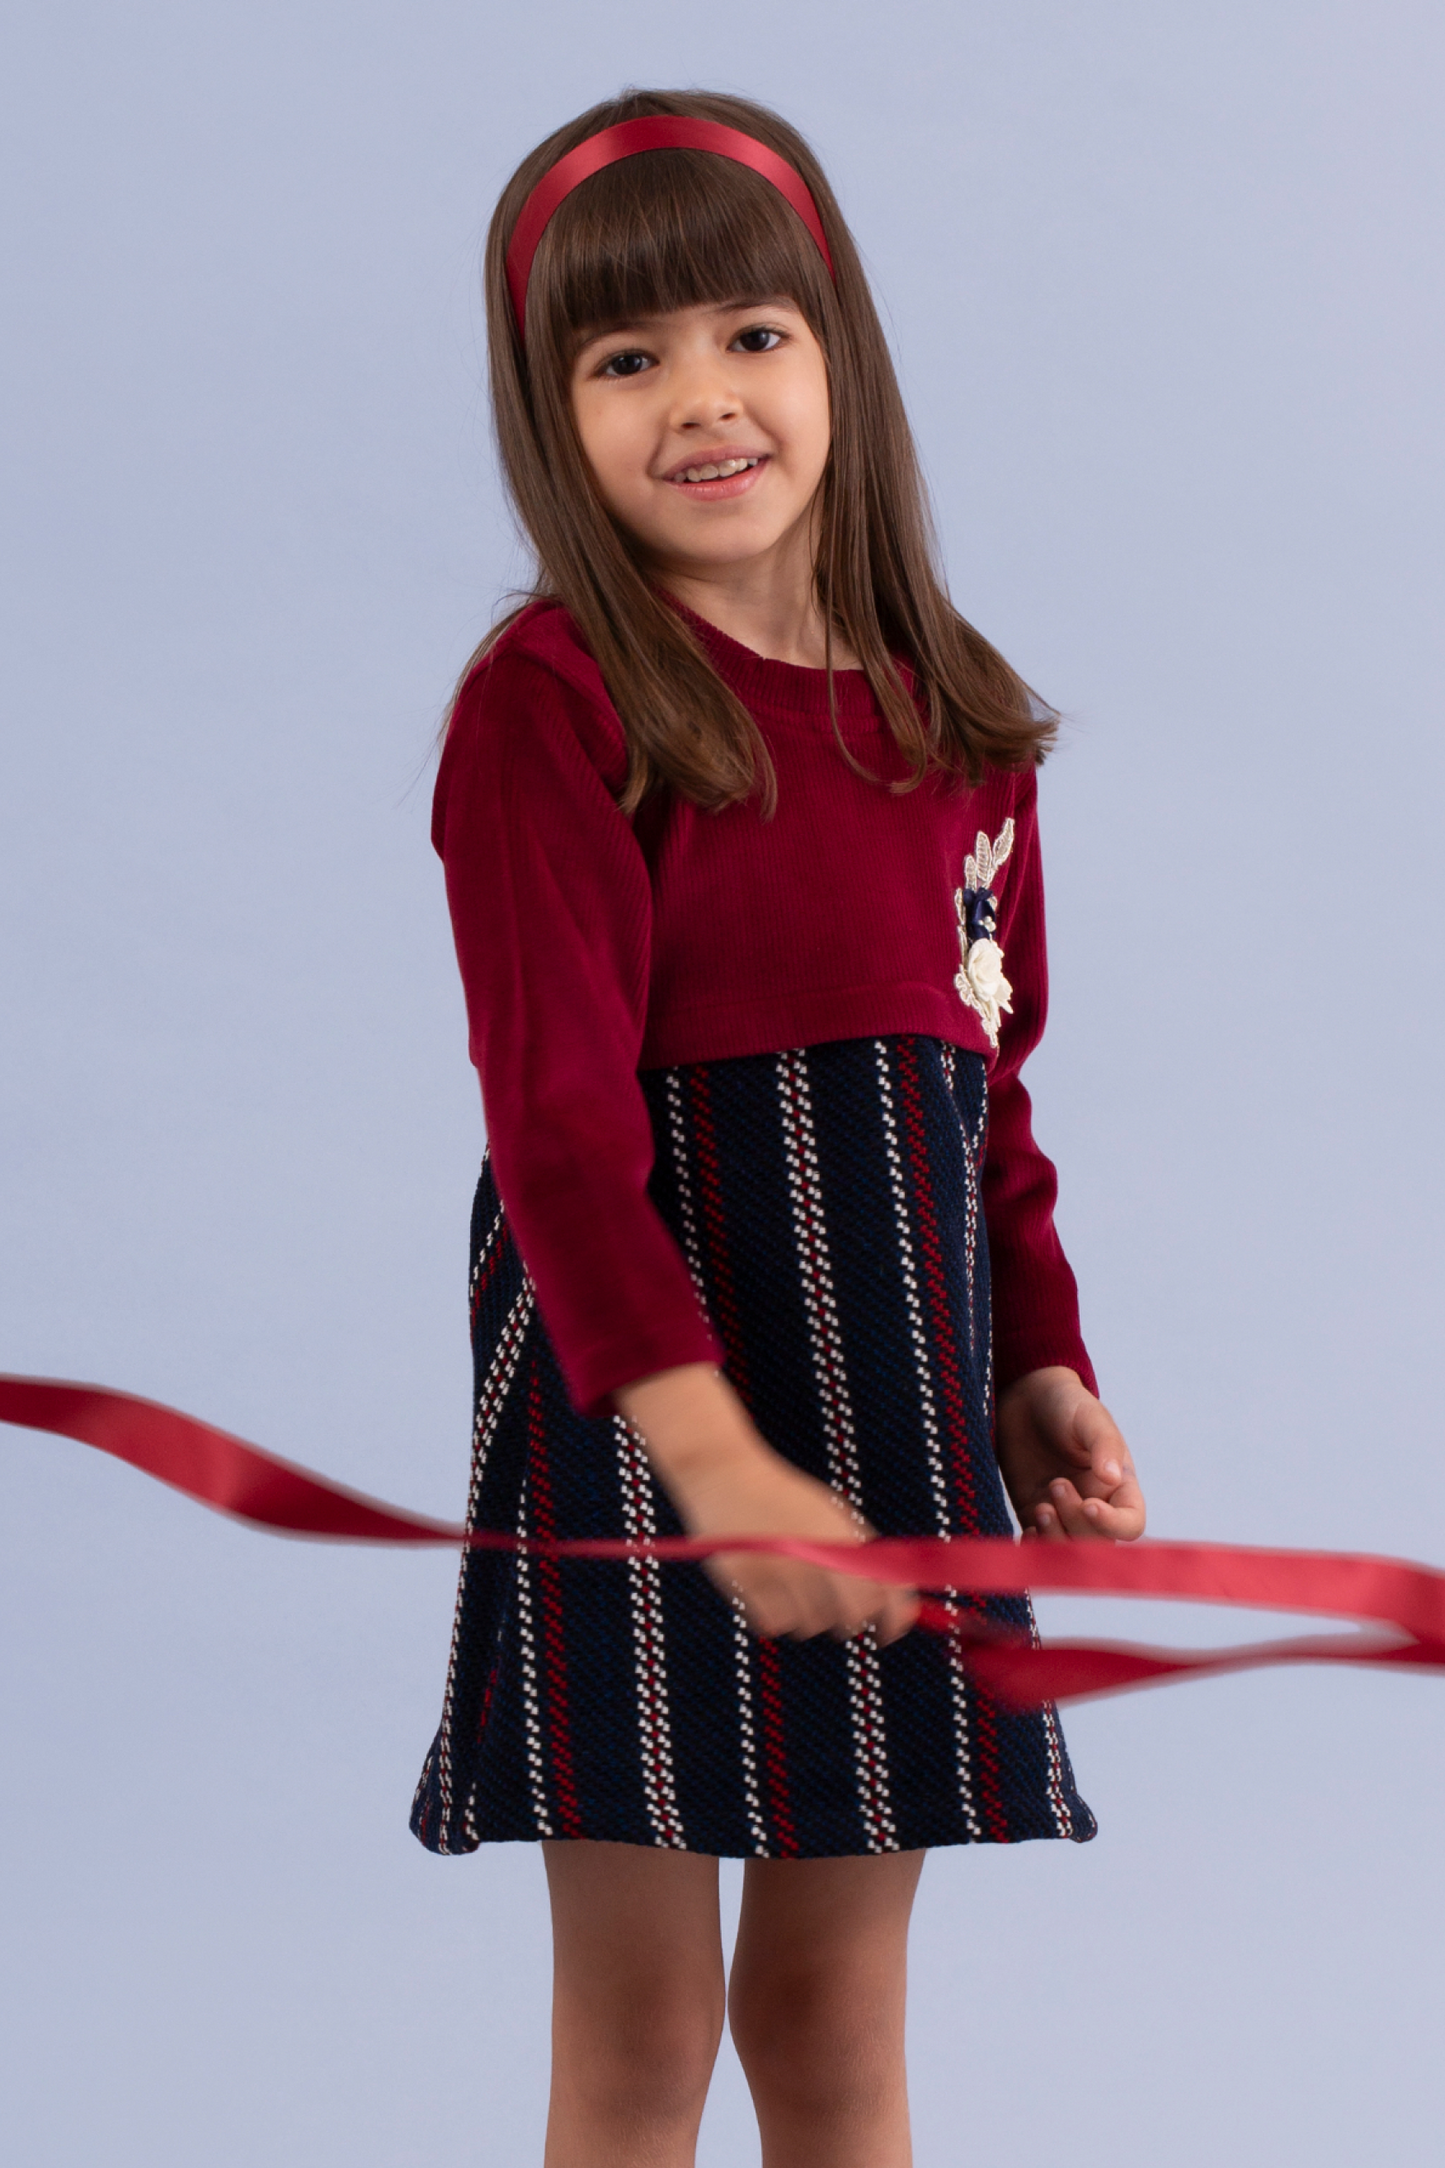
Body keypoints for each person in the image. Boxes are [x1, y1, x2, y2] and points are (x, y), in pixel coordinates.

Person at [411, 87, 1146, 2168]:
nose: (702, 398)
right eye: (624, 359)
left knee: (830, 2016)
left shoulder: (948, 713)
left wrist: (1034, 1372)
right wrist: (717, 1465)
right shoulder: (553, 705)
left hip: (888, 1411)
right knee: (643, 2033)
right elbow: (558, 1136)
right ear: (551, 413)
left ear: (840, 354)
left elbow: (984, 1101)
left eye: (752, 334)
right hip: (643, 1421)